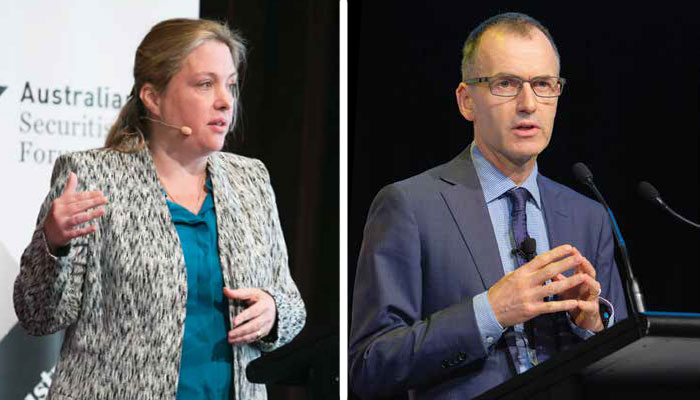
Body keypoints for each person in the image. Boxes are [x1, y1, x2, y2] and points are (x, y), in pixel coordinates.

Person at [14, 18, 305, 400]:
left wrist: (273, 313)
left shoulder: (250, 180)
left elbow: (291, 303)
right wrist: (53, 245)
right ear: (152, 96)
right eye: (205, 84)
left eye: (230, 84)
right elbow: (39, 315)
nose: (225, 100)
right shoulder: (92, 175)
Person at [349, 12, 627, 399]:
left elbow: (622, 366)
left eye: (543, 84)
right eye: (506, 84)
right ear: (467, 101)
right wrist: (489, 313)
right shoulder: (410, 206)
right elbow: (369, 364)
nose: (528, 103)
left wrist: (593, 326)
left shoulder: (588, 215)